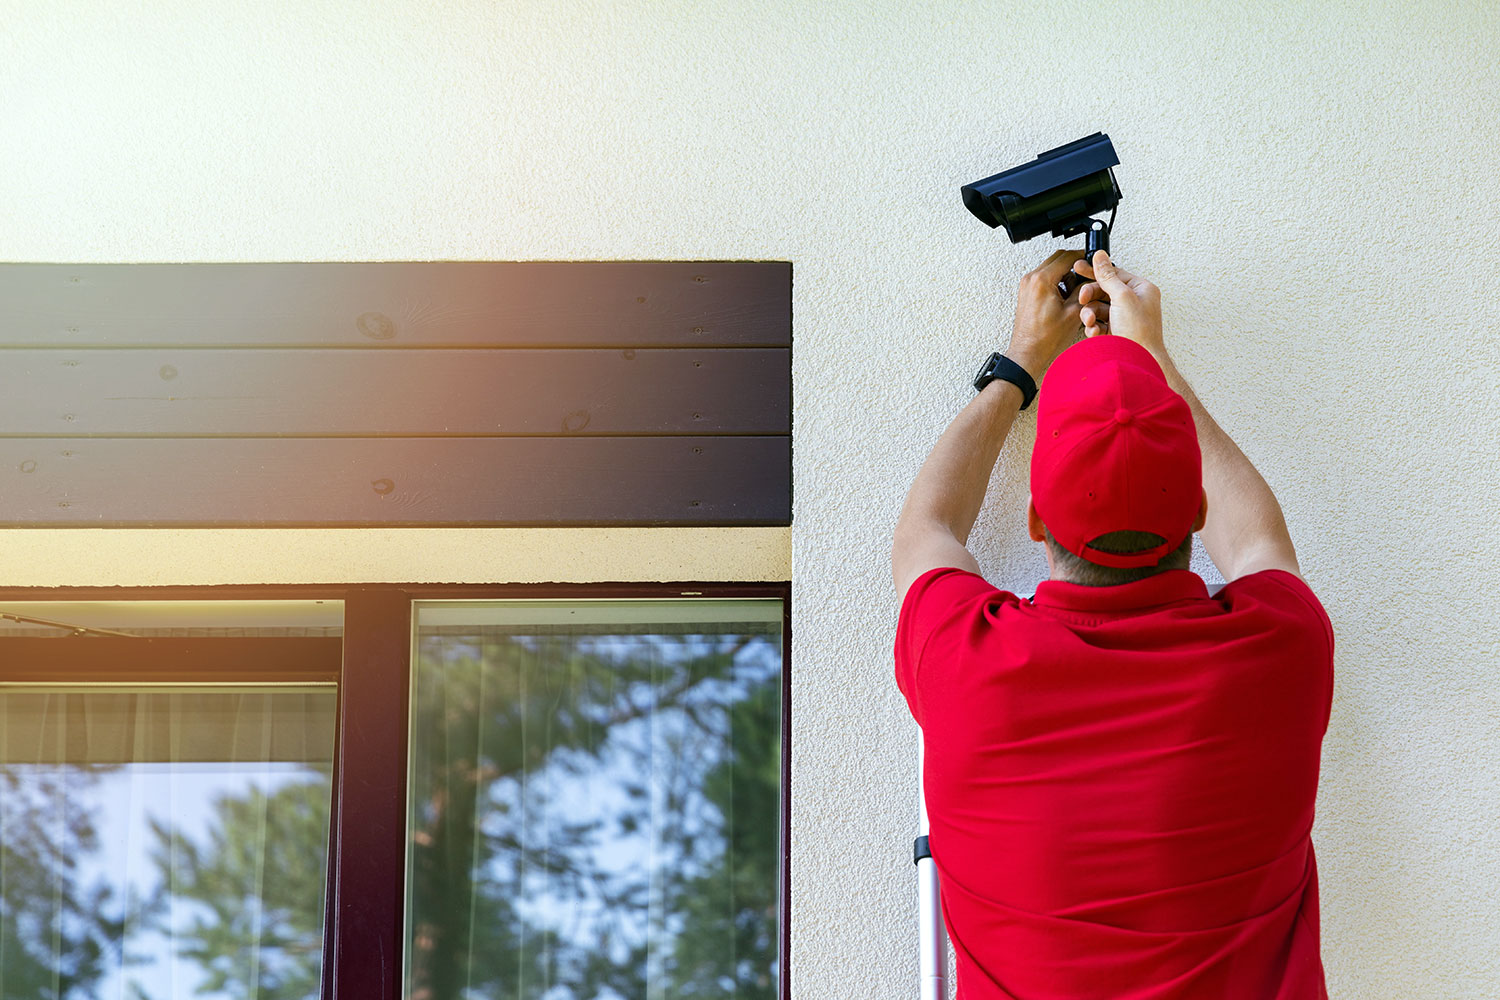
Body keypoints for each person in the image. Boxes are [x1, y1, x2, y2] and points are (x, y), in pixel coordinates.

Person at [891, 249, 1334, 999]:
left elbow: (927, 528)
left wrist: (1019, 363)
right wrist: (1152, 357)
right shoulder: (1282, 650)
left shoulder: (966, 659)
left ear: (1035, 520)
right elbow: (1256, 541)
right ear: (1193, 510)